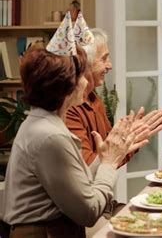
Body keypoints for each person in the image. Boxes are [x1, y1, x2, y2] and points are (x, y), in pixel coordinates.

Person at [1, 40, 140, 237]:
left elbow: (75, 182)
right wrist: (108, 164)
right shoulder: (51, 136)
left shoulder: (42, 122)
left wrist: (106, 156)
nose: (86, 81)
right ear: (67, 85)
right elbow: (88, 212)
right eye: (82, 75)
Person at [66, 28, 162, 166]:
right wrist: (126, 141)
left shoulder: (94, 100)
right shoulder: (69, 108)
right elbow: (88, 167)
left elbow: (111, 158)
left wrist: (130, 138)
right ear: (85, 64)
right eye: (103, 59)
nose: (110, 65)